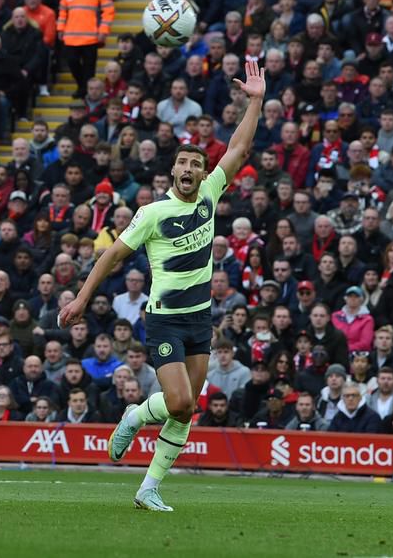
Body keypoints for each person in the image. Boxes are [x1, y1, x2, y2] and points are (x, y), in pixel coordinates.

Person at [59, 59, 266, 511]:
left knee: (187, 407)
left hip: (199, 320)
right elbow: (112, 256)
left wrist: (255, 101)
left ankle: (148, 487)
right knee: (176, 400)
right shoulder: (153, 213)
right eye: (183, 164)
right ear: (173, 174)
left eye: (197, 162)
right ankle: (134, 416)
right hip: (165, 323)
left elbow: (240, 149)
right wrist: (81, 296)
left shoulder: (211, 192)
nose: (191, 168)